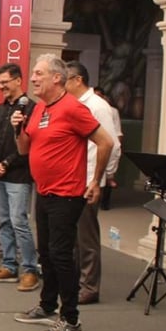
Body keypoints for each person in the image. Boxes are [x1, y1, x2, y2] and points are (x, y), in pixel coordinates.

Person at [11, 54, 114, 331]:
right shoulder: (40, 109)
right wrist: (16, 127)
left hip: (67, 194)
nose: (32, 78)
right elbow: (23, 150)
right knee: (47, 253)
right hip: (44, 191)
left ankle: (70, 319)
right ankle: (46, 306)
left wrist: (96, 181)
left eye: (38, 73)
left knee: (61, 255)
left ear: (57, 77)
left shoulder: (72, 108)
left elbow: (106, 141)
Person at [0, 63, 40, 291]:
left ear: (18, 80)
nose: (1, 86)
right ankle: (9, 266)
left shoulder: (32, 109)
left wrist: (5, 163)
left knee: (19, 223)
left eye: (5, 82)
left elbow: (30, 145)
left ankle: (30, 270)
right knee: (4, 222)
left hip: (18, 176)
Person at [65, 64, 121, 305]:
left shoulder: (98, 106)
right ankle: (76, 282)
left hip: (89, 179)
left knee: (86, 237)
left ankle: (89, 287)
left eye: (64, 81)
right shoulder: (74, 105)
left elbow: (112, 145)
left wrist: (101, 179)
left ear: (78, 80)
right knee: (74, 236)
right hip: (72, 178)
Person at [93, 86, 124, 210]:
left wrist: (118, 146)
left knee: (106, 173)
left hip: (107, 143)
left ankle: (105, 203)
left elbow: (117, 132)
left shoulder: (112, 111)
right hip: (93, 146)